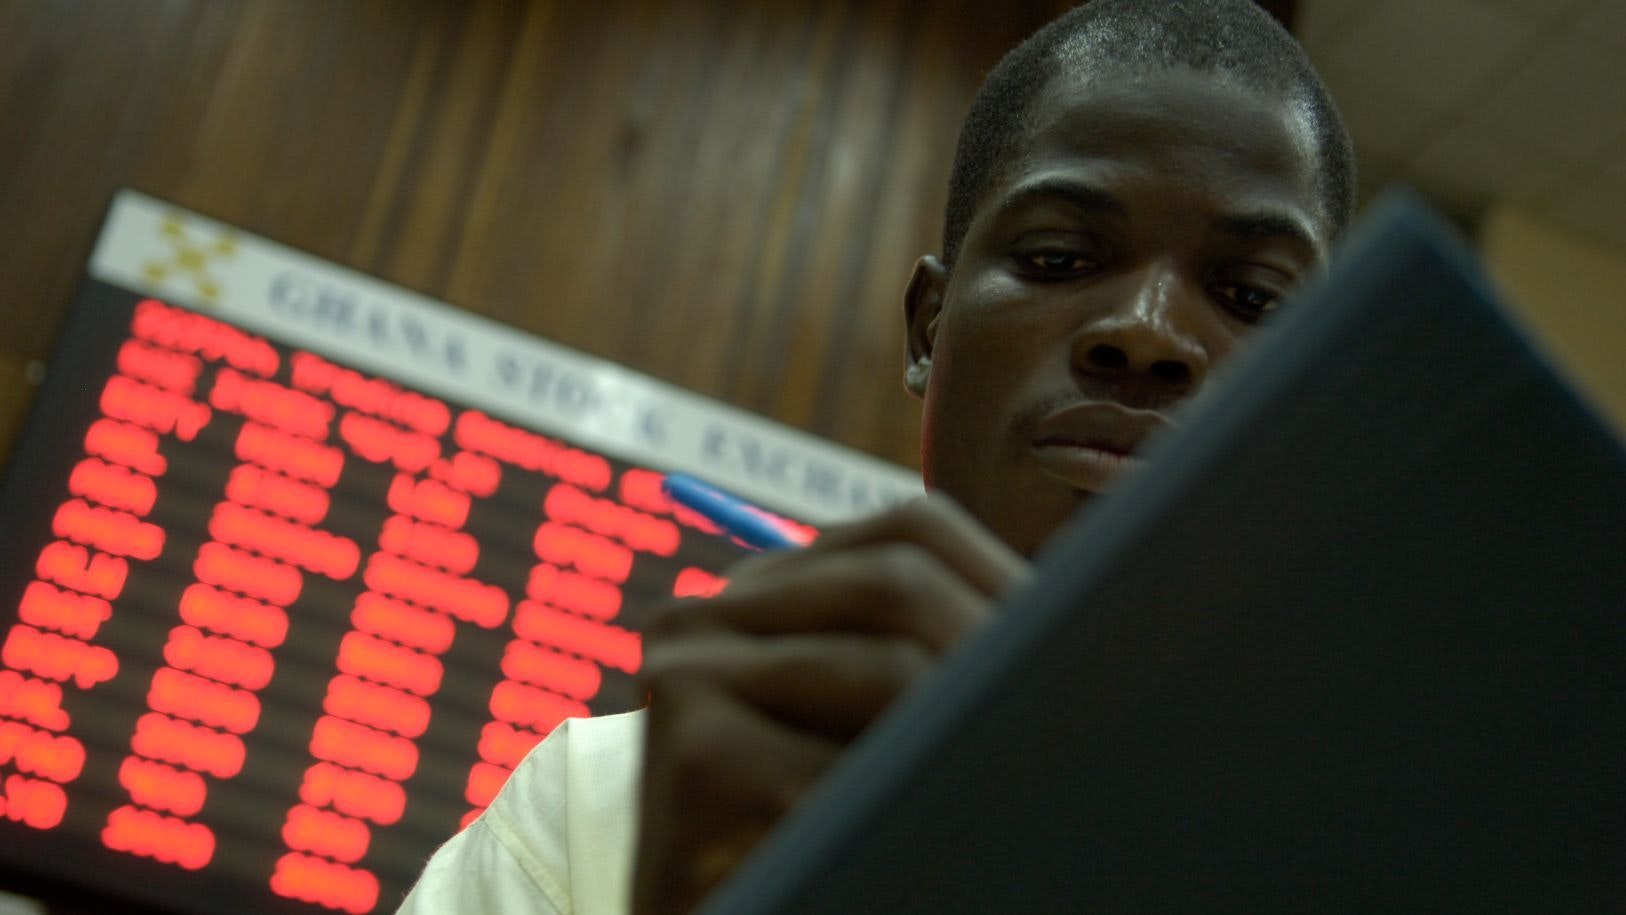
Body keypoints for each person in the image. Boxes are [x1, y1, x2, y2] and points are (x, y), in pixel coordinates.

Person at [398, 0, 1356, 912]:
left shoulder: (1402, 854)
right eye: (1059, 257)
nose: (1147, 334)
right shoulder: (606, 810)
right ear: (930, 331)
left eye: (1254, 298)